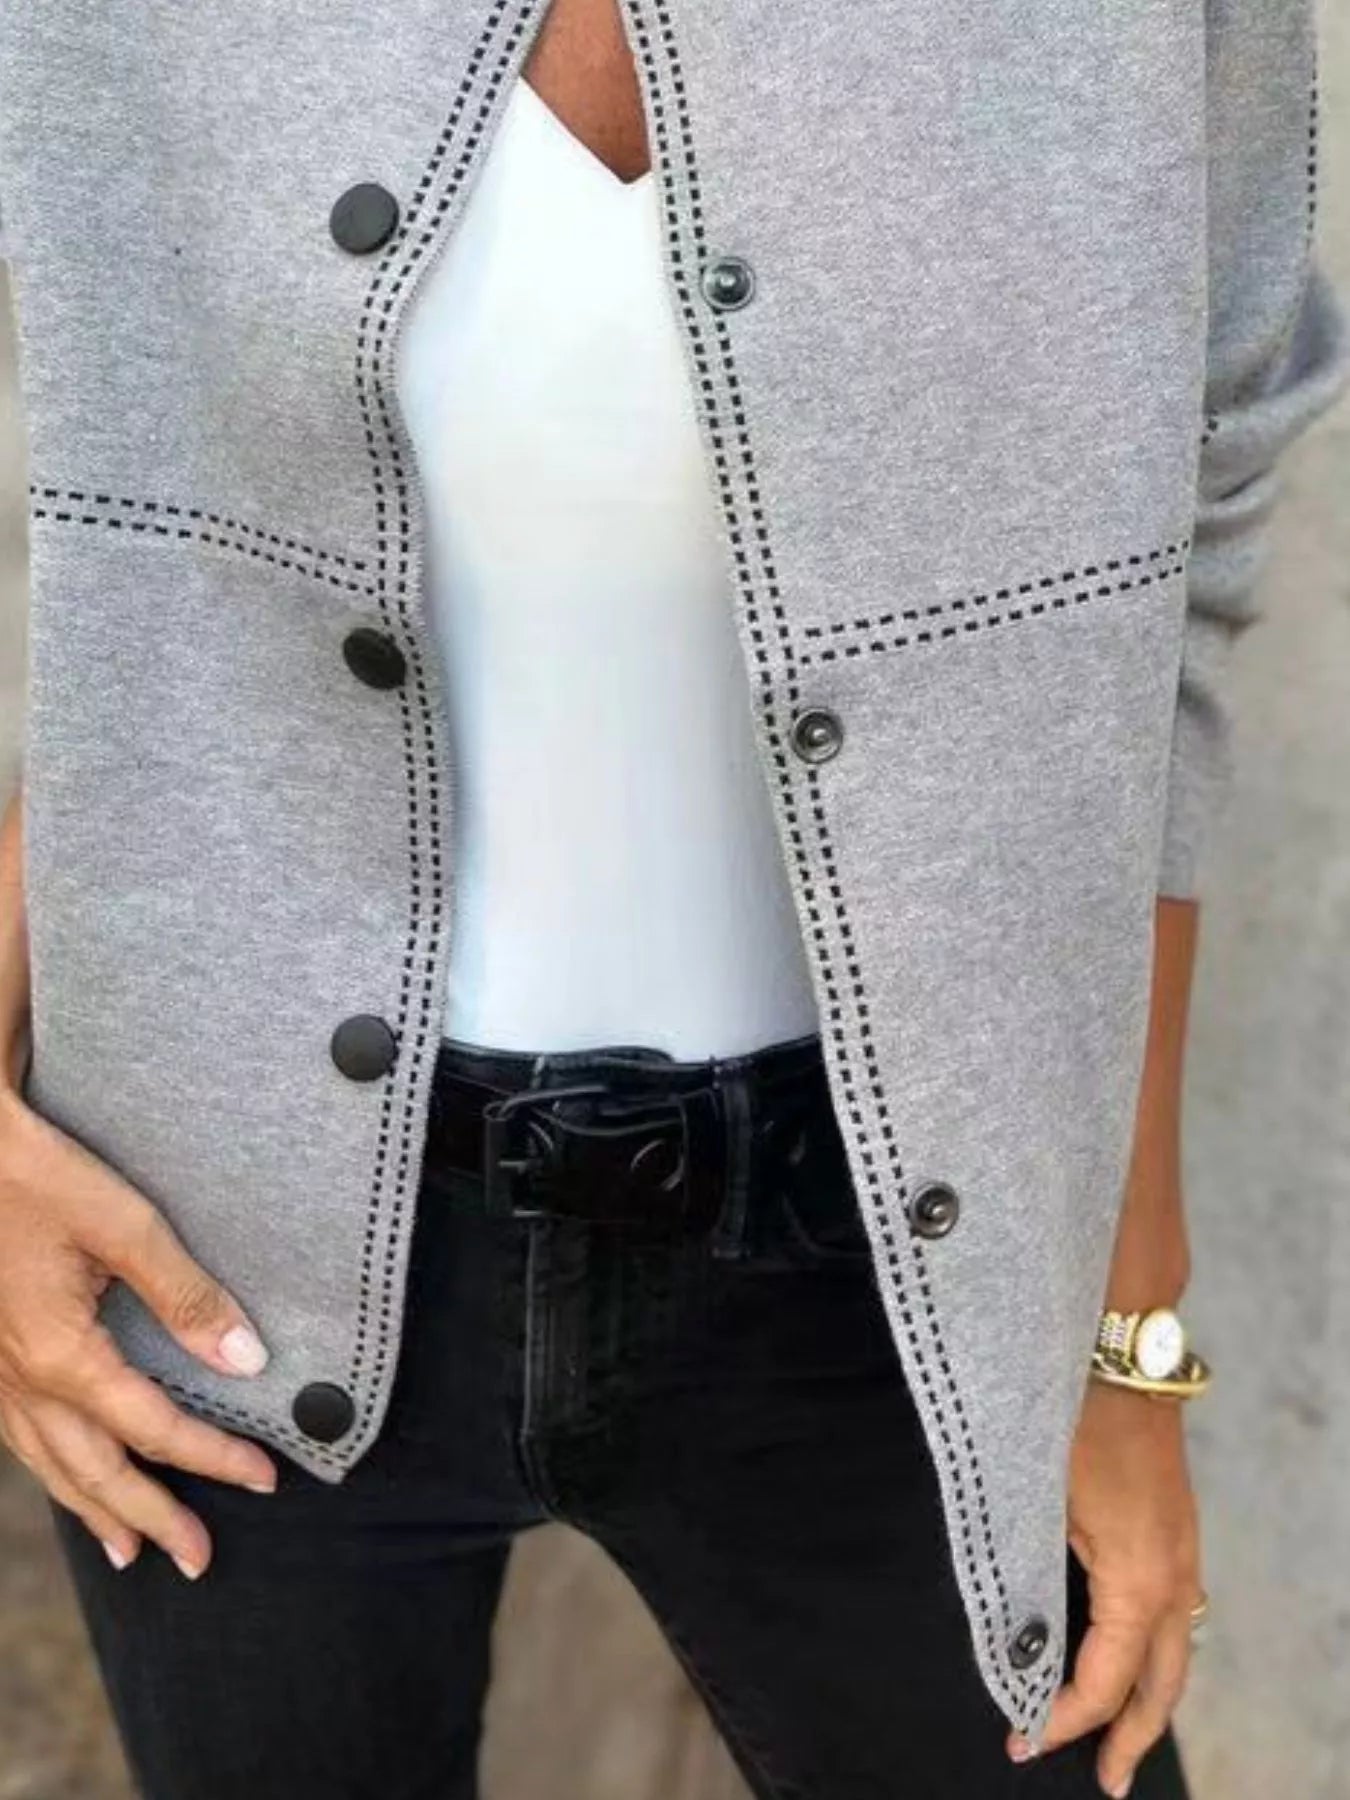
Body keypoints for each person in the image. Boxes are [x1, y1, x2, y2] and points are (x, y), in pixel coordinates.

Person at [0, 1, 1346, 1796]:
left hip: (897, 1277)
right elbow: (136, 557)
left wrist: (1121, 1339)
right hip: (212, 1245)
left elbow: (1185, 542)